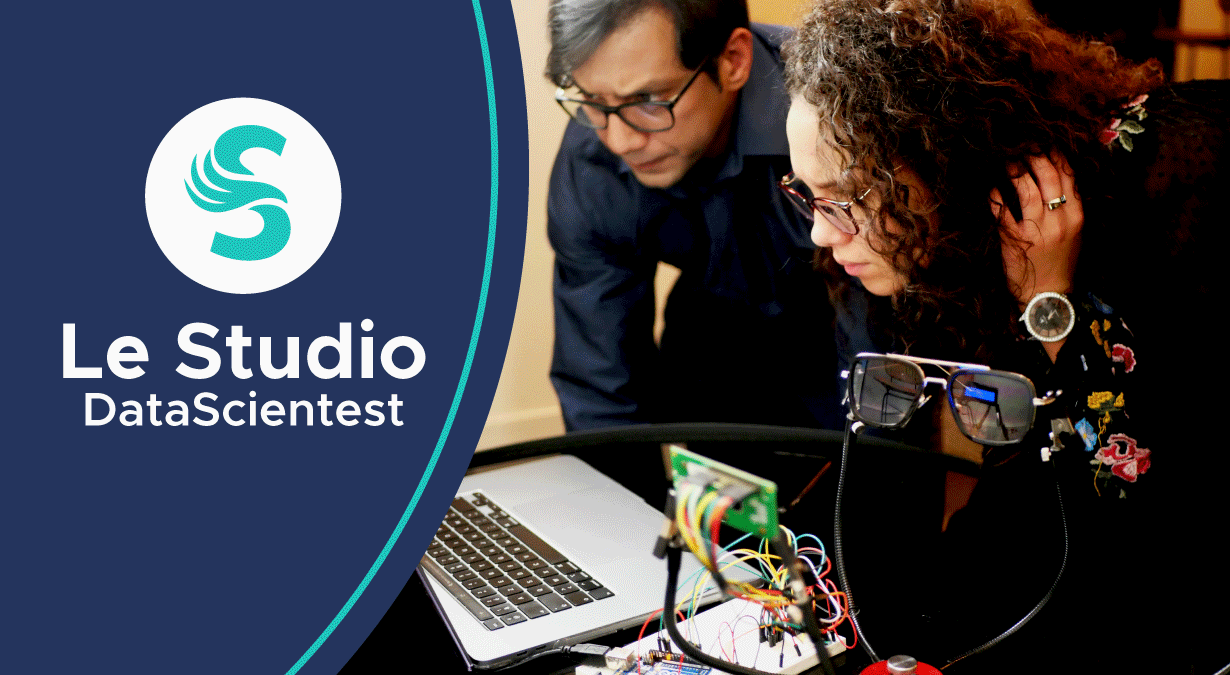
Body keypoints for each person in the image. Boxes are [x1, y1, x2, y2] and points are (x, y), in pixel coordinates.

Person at [782, 0, 1227, 672]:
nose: (820, 231)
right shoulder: (926, 249)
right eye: (807, 194)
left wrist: (1049, 304)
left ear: (942, 161)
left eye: (845, 198)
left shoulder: (1164, 198)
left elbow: (1136, 519)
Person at [545, 0, 863, 432]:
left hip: (847, 325)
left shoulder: (840, 111)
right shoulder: (594, 159)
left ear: (733, 60)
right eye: (594, 101)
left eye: (648, 100)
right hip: (712, 341)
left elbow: (883, 348)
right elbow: (599, 384)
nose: (620, 141)